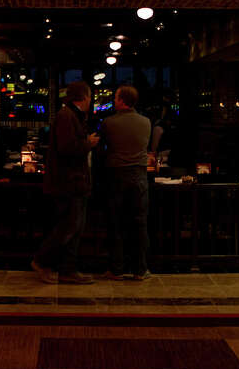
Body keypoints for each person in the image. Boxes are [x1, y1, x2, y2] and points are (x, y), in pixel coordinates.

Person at [31, 80, 99, 285]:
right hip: (68, 183)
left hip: (73, 182)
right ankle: (42, 261)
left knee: (73, 228)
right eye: (89, 97)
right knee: (68, 227)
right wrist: (89, 143)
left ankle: (68, 270)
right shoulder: (66, 116)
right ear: (84, 97)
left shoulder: (70, 115)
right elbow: (67, 148)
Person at [99, 85, 153, 281]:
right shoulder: (146, 122)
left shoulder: (108, 123)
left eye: (115, 97)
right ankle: (140, 269)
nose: (114, 100)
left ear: (122, 100)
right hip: (139, 175)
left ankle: (116, 268)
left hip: (115, 175)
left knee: (115, 223)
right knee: (139, 223)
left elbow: (102, 148)